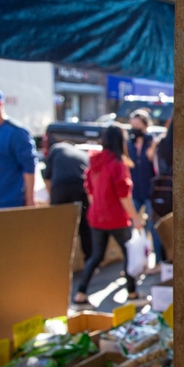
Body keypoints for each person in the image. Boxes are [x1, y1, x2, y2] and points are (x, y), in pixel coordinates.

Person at [73, 125, 145, 305]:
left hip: (97, 216)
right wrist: (135, 218)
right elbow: (124, 195)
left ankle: (80, 293)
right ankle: (132, 293)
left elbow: (89, 190)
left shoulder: (95, 161)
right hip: (117, 218)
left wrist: (98, 208)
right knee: (130, 254)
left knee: (96, 256)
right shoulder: (118, 163)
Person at [42, 141, 92, 260]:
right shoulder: (83, 154)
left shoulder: (56, 149)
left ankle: (58, 260)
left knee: (59, 227)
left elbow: (47, 178)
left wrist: (52, 199)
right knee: (85, 225)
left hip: (61, 188)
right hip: (81, 188)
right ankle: (90, 260)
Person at [127, 109, 163, 272]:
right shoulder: (129, 144)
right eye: (132, 125)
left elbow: (156, 167)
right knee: (130, 226)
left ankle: (157, 261)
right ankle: (132, 262)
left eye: (137, 126)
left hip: (149, 191)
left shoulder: (152, 142)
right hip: (134, 191)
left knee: (152, 227)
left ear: (145, 126)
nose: (134, 129)